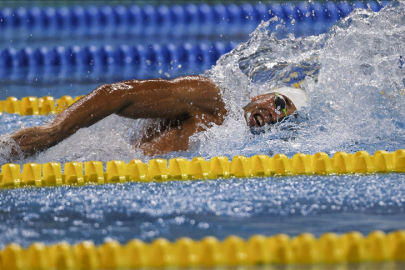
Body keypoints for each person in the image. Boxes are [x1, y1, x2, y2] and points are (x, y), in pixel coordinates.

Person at [10, 75, 308, 157]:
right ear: (260, 96)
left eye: (284, 117)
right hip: (108, 161)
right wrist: (56, 130)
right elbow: (118, 94)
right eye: (279, 103)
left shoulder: (243, 145)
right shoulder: (212, 98)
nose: (274, 115)